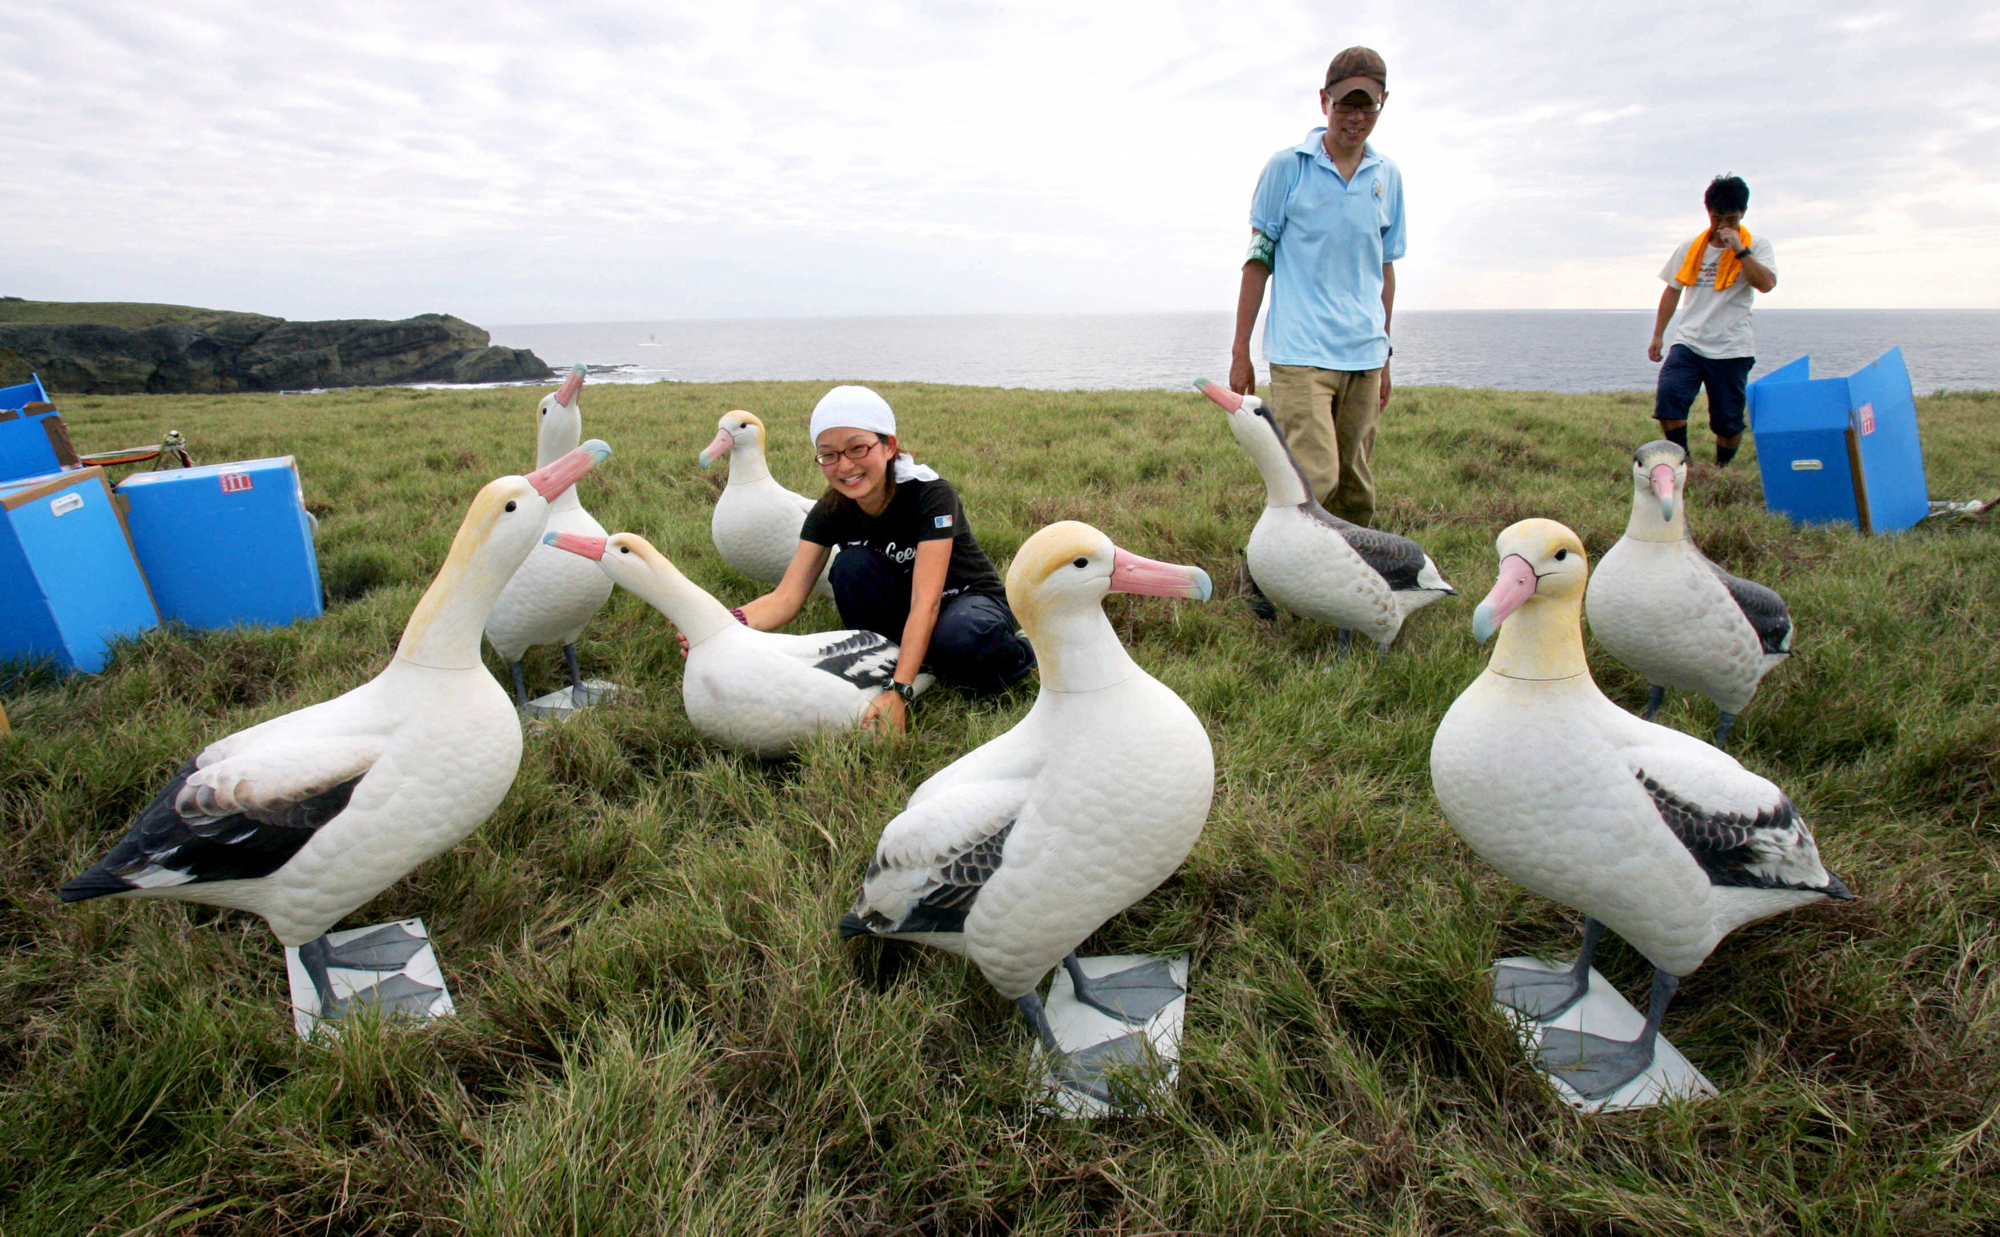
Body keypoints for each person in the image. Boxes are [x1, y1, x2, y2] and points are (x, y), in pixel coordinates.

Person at [734, 385, 1035, 735]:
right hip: (907, 608)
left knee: (963, 638)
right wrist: (724, 624)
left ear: (889, 446)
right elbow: (786, 597)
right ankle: (918, 661)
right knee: (850, 567)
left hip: (964, 601)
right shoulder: (830, 509)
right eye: (828, 454)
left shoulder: (931, 495)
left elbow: (927, 602)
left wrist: (899, 690)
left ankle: (1023, 649)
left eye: (857, 448)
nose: (844, 466)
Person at [1230, 44, 1406, 535]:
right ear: (1324, 101)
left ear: (1383, 102)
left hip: (1365, 355)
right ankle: (1262, 577)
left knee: (1355, 490)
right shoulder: (1288, 167)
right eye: (1345, 103)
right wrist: (1240, 350)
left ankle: (1347, 584)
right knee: (1314, 479)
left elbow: (1385, 269)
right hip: (1301, 352)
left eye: (1366, 105)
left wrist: (1385, 355)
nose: (1355, 117)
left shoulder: (1386, 176)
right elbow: (1257, 260)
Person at [1647, 175, 1778, 467]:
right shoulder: (1691, 247)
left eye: (1730, 219)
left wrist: (1740, 251)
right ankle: (1684, 463)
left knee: (1728, 423)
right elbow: (1672, 290)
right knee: (1669, 399)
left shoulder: (1757, 245)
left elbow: (1766, 283)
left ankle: (1722, 469)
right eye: (1717, 217)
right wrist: (1658, 336)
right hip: (1689, 342)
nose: (1722, 226)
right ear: (1709, 212)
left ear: (1742, 213)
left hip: (1732, 347)